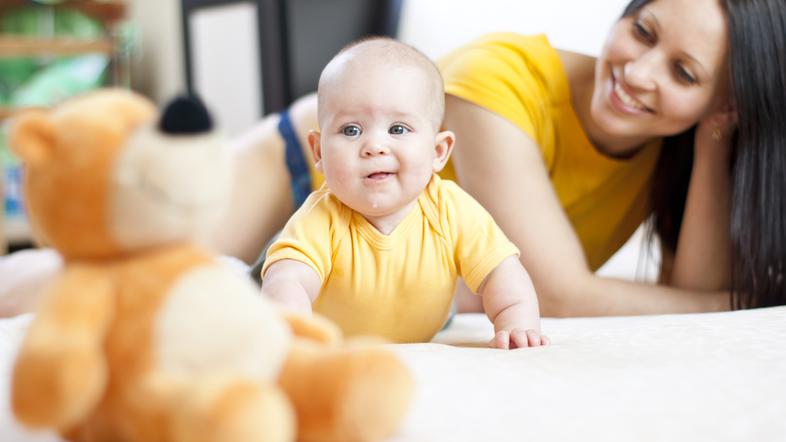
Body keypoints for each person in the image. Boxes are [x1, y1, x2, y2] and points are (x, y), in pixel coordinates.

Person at [213, 0, 786, 317]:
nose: (637, 73)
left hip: (374, 277)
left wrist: (715, 136)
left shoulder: (677, 140)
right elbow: (560, 294)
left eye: (684, 73)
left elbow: (692, 291)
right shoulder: (497, 82)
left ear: (726, 103)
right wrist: (736, 304)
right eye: (642, 31)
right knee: (139, 275)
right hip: (294, 174)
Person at [259, 38, 547, 348]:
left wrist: (516, 320)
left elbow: (501, 270)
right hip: (314, 321)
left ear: (438, 151)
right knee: (242, 293)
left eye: (398, 129)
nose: (374, 146)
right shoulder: (321, 218)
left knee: (450, 301)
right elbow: (288, 281)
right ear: (318, 151)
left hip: (420, 311)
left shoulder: (450, 209)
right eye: (351, 130)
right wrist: (294, 333)